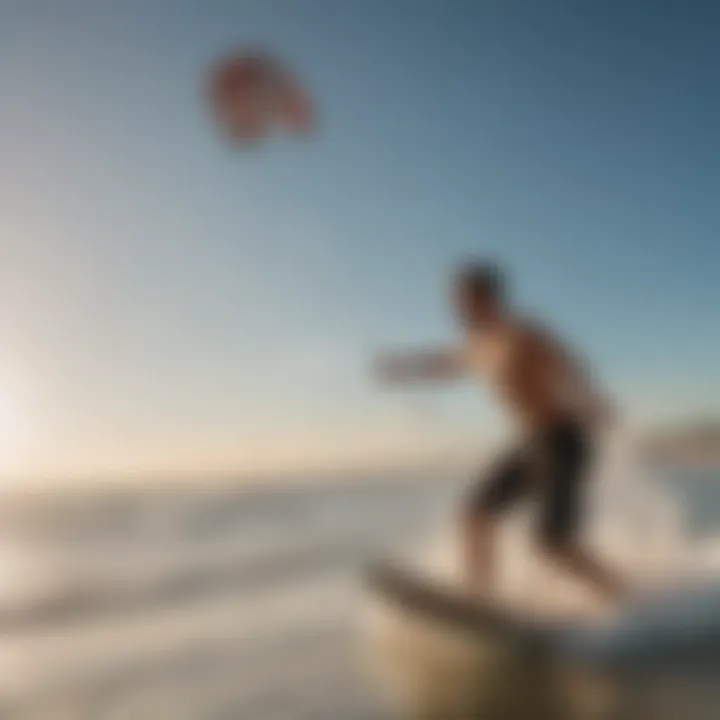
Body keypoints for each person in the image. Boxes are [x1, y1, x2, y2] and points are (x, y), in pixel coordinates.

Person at [375, 261, 625, 603]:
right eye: (454, 301)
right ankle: (480, 601)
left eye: (463, 299)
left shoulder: (522, 332)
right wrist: (403, 368)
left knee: (552, 543)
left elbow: (567, 363)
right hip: (530, 444)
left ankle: (624, 597)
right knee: (473, 515)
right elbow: (443, 364)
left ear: (488, 297)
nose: (456, 308)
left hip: (562, 439)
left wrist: (591, 400)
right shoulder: (477, 345)